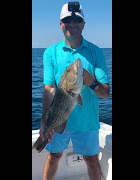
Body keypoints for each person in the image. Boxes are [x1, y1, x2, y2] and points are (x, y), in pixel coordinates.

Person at [39, 2, 110, 180]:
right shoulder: (50, 53)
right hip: (58, 117)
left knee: (92, 159)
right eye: (67, 20)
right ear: (60, 24)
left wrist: (90, 81)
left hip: (87, 122)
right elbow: (49, 89)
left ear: (83, 24)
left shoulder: (96, 52)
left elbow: (105, 93)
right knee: (53, 156)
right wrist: (44, 122)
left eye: (77, 20)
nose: (72, 23)